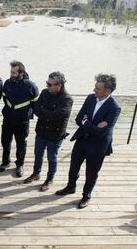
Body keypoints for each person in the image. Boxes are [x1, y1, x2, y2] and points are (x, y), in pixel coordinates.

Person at [55, 73, 121, 209]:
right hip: (82, 139)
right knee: (73, 166)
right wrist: (91, 124)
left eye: (97, 88)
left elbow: (102, 132)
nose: (94, 90)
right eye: (95, 87)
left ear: (107, 91)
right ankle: (70, 187)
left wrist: (86, 123)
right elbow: (79, 118)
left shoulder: (114, 107)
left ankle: (86, 195)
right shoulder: (90, 98)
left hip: (98, 145)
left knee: (92, 172)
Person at [24, 72, 73, 191]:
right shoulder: (45, 93)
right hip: (41, 131)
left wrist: (43, 111)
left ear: (59, 85)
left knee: (52, 158)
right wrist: (46, 112)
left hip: (55, 135)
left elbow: (56, 116)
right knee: (38, 155)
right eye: (47, 83)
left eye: (51, 84)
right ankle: (36, 174)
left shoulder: (67, 99)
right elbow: (36, 108)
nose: (48, 86)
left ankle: (49, 179)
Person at [0, 61, 39, 177]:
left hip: (22, 121)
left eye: (14, 72)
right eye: (11, 72)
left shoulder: (31, 86)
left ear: (21, 73)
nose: (11, 74)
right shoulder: (7, 83)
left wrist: (26, 113)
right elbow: (5, 98)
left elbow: (35, 104)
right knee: (5, 141)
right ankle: (5, 162)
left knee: (21, 144)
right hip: (8, 119)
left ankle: (19, 165)